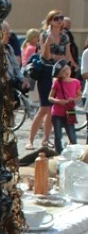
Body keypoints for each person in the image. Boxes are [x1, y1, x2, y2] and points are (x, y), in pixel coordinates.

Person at [27, 10, 74, 150]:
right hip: (46, 72)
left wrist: (67, 65)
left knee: (53, 109)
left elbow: (67, 56)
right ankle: (30, 140)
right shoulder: (44, 35)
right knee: (44, 108)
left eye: (61, 18)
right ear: (50, 21)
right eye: (55, 18)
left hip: (59, 73)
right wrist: (47, 45)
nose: (59, 20)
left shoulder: (64, 36)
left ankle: (46, 140)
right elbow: (46, 57)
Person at [49, 59, 80, 153]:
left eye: (67, 69)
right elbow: (50, 98)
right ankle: (58, 153)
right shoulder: (57, 83)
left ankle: (75, 153)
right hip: (57, 113)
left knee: (72, 135)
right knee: (58, 135)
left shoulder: (76, 82)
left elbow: (79, 95)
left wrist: (74, 100)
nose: (66, 72)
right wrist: (58, 101)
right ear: (58, 75)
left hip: (69, 112)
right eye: (63, 71)